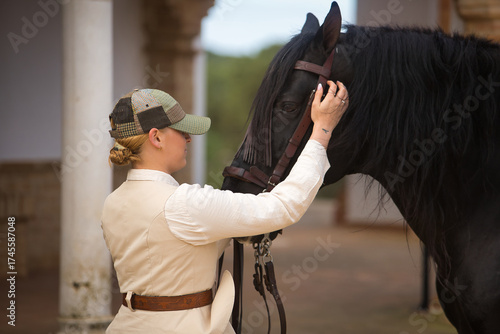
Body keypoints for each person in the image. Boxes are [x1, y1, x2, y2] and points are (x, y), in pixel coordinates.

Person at [101, 81, 349, 334]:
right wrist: (322, 130)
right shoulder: (185, 203)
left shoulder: (112, 203)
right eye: (180, 130)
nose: (188, 137)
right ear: (156, 137)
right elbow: (284, 206)